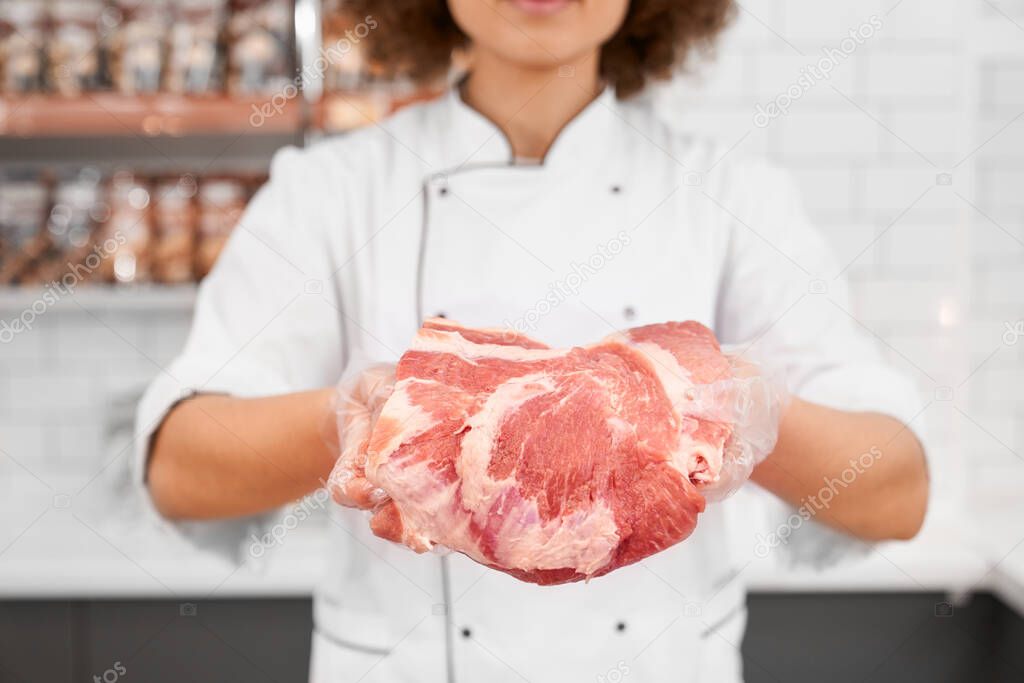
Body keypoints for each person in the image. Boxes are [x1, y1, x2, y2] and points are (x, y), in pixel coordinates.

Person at [135, 1, 930, 680]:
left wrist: (748, 416)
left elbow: (896, 494)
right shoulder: (331, 189)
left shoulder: (730, 195)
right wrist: (345, 419)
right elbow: (178, 470)